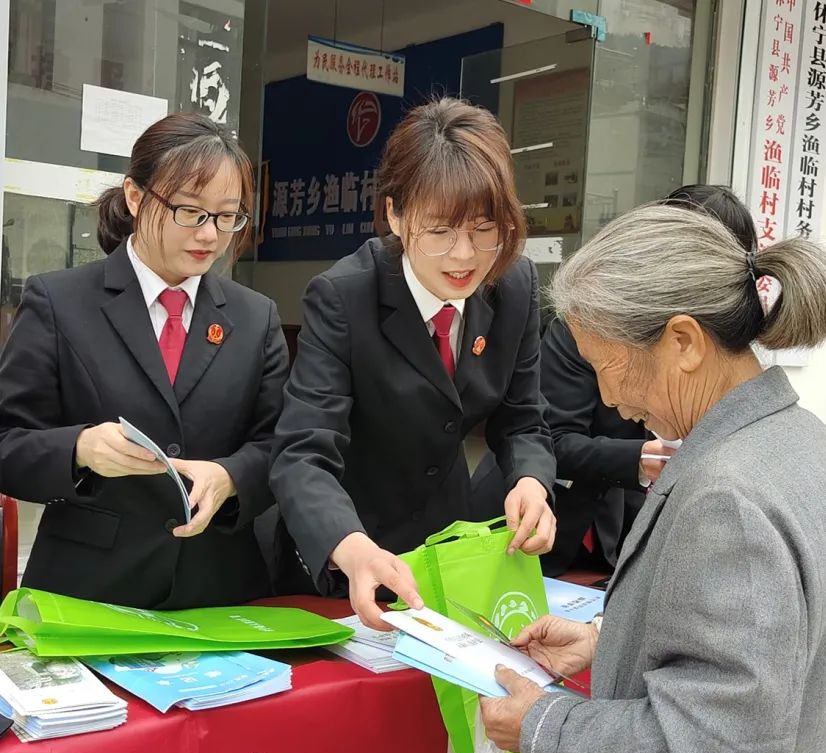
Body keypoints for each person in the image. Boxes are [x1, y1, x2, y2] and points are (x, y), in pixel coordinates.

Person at [479, 202, 826, 753]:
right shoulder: (800, 437)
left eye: (608, 366)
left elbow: (714, 749)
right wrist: (612, 642)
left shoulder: (727, 499)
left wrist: (542, 725)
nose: (610, 397)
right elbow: (764, 659)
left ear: (683, 341)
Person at [270, 98, 557, 628]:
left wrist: (532, 482)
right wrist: (350, 547)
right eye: (441, 231)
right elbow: (302, 452)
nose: (464, 256)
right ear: (397, 216)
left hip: (443, 549)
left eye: (484, 229)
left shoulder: (513, 286)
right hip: (351, 553)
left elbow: (524, 420)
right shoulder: (343, 297)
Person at [0, 113, 289, 609]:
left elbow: (280, 445)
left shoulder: (255, 316)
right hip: (87, 590)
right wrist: (80, 449)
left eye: (227, 215)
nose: (209, 235)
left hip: (217, 590)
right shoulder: (60, 301)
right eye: (189, 212)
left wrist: (232, 477)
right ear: (136, 197)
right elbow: (6, 441)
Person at [540, 184, 759, 574]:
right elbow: (551, 437)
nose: (611, 399)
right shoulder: (587, 324)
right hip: (554, 529)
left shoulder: (723, 362)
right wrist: (639, 460)